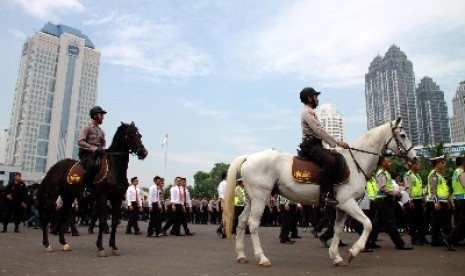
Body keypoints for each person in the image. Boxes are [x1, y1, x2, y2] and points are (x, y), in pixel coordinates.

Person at [298, 87, 349, 206]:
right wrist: (337, 142)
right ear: (309, 98)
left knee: (337, 158)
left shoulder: (311, 112)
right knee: (330, 161)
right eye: (316, 97)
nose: (317, 99)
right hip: (310, 146)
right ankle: (324, 195)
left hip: (317, 145)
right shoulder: (306, 112)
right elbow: (318, 130)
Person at [366, 157, 413, 250]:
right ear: (383, 163)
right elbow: (382, 188)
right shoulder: (382, 173)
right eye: (388, 161)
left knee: (377, 223)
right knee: (391, 222)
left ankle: (368, 242)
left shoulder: (386, 173)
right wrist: (394, 192)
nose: (390, 163)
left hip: (383, 200)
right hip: (383, 200)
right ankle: (399, 243)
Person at [77, 106, 107, 192]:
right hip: (87, 155)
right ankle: (85, 188)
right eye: (100, 115)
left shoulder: (102, 132)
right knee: (92, 165)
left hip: (99, 155)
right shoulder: (87, 128)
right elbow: (80, 142)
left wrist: (103, 150)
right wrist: (94, 149)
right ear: (94, 116)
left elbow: (103, 144)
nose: (102, 117)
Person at [426, 156, 451, 246]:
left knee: (436, 223)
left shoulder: (439, 175)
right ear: (437, 163)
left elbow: (444, 190)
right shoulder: (434, 174)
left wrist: (447, 200)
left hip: (442, 201)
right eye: (442, 163)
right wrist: (436, 202)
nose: (444, 164)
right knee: (441, 222)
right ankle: (444, 240)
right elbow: (433, 190)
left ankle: (436, 241)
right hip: (437, 202)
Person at [404, 159, 428, 245]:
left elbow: (420, 188)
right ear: (413, 165)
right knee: (413, 220)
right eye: (418, 164)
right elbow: (407, 188)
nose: (419, 166)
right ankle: (414, 239)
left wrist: (423, 199)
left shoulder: (417, 175)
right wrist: (410, 201)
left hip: (419, 199)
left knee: (421, 220)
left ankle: (422, 238)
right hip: (412, 200)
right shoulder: (408, 175)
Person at [445, 156, 465, 251]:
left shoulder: (455, 172)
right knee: (462, 223)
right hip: (462, 200)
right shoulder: (461, 173)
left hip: (458, 199)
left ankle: (455, 239)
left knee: (460, 221)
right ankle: (450, 239)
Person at [216, 171, 227, 238]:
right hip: (224, 201)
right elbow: (221, 194)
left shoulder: (227, 183)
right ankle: (220, 230)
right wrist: (222, 203)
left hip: (228, 201)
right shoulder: (223, 183)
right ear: (225, 176)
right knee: (225, 217)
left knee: (227, 218)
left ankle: (223, 231)